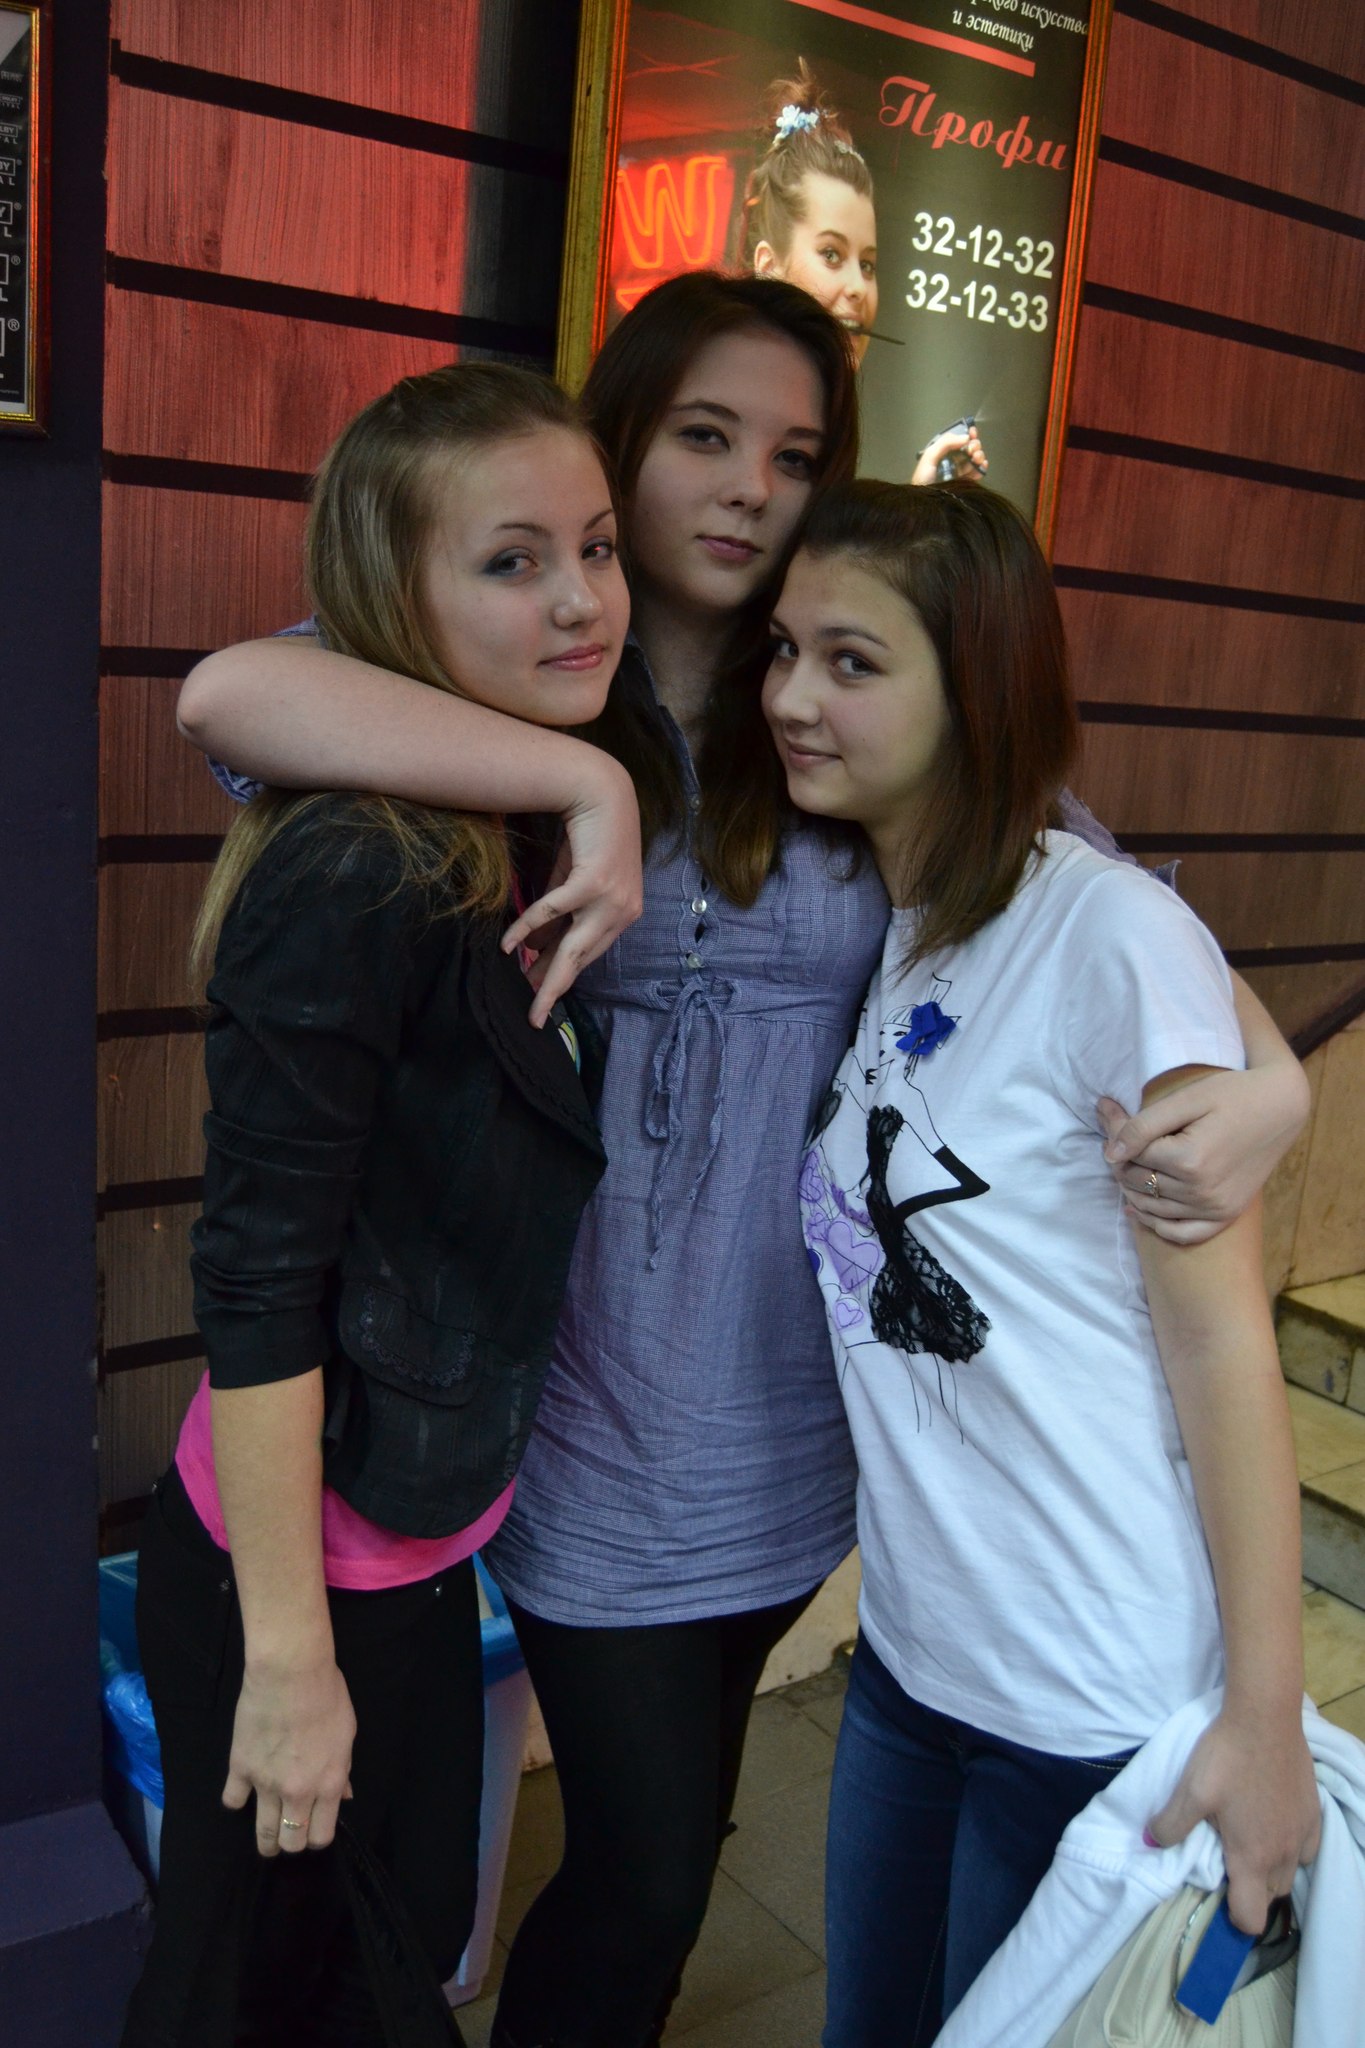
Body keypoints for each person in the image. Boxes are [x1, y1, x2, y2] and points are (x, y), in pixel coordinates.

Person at [174, 275, 1308, 2048]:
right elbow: (231, 694)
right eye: (704, 436)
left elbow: (1085, 882)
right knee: (637, 1873)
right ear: (623, 442)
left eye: (793, 454)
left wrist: (1280, 1079)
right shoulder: (541, 673)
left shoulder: (853, 724)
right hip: (588, 1416)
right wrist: (590, 786)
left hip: (795, 1425)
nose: (748, 490)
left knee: (679, 1842)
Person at [761, 479, 1321, 2046]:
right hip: (913, 1663)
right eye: (786, 651)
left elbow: (1222, 1350)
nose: (793, 697)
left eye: (853, 662)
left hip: (1088, 1698)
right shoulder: (896, 922)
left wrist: (1264, 1719)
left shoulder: (1107, 936)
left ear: (978, 689)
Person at [120, 362, 629, 2048]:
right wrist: (288, 1660)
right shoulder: (362, 866)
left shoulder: (515, 800)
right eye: (512, 561)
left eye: (597, 547)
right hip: (299, 1574)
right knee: (258, 2002)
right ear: (392, 602)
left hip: (398, 1548)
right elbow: (259, 1281)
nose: (581, 600)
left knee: (365, 1977)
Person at [742, 60, 987, 485]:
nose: (858, 287)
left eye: (868, 264)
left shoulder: (829, 425)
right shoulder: (734, 394)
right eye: (831, 255)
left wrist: (926, 497)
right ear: (768, 268)